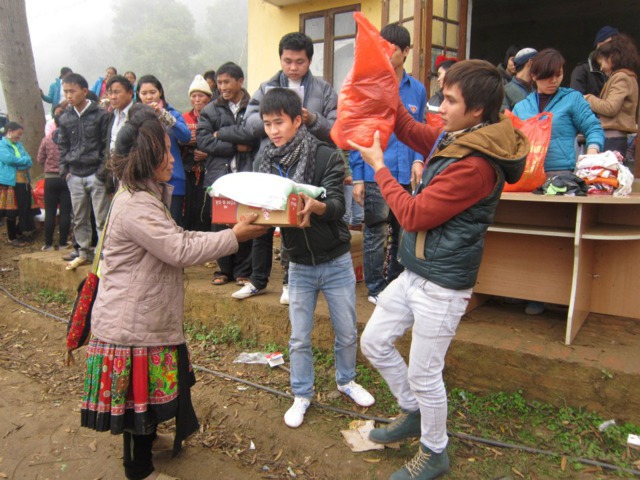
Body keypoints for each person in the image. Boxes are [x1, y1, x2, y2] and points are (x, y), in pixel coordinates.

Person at [349, 59, 528, 480]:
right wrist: (388, 93)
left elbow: (413, 215)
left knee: (425, 373)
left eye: (449, 100)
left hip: (442, 285)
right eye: (441, 96)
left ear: (477, 110)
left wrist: (379, 167)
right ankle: (413, 412)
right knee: (374, 341)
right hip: (416, 271)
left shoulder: (476, 164)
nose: (439, 107)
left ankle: (434, 452)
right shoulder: (460, 135)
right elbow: (413, 132)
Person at [80, 103, 266, 480]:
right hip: (132, 325)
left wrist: (231, 233)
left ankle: (147, 445)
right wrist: (234, 236)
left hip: (142, 318)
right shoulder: (136, 204)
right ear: (144, 159)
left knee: (143, 401)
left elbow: (177, 238)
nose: (172, 158)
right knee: (135, 406)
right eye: (164, 152)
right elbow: (179, 248)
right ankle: (139, 470)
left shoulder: (144, 195)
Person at [257, 88, 374, 428]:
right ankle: (302, 393)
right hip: (298, 263)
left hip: (335, 260)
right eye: (267, 124)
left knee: (346, 330)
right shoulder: (266, 161)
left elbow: (337, 206)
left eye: (279, 122)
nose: (273, 131)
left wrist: (318, 206)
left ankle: (346, 380)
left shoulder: (325, 155)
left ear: (298, 120)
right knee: (299, 337)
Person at [223, 32, 338, 303]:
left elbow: (335, 127)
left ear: (310, 61)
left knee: (295, 218)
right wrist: (274, 117)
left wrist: (312, 119)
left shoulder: (323, 89)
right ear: (281, 59)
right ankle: (258, 279)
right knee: (262, 218)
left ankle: (289, 281)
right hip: (269, 160)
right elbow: (250, 122)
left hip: (306, 160)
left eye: (300, 61)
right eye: (288, 61)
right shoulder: (266, 88)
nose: (293, 67)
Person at [513, 49, 604, 316]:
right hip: (527, 180)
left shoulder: (572, 99)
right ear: (534, 76)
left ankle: (557, 296)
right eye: (547, 76)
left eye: (558, 75)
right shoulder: (522, 107)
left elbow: (593, 127)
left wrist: (592, 152)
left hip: (560, 178)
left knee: (558, 241)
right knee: (529, 238)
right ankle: (527, 292)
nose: (553, 81)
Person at [350, 22, 426, 305]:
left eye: (392, 50)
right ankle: (375, 288)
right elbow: (358, 133)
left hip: (406, 174)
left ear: (406, 52)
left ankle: (396, 282)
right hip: (374, 173)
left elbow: (420, 129)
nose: (386, 55)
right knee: (376, 233)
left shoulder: (417, 90)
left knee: (404, 231)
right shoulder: (367, 87)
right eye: (381, 49)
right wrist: (358, 177)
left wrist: (418, 159)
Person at [197, 62, 257, 286]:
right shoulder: (210, 109)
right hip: (219, 175)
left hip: (246, 172)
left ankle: (243, 270)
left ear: (240, 81)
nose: (222, 87)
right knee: (221, 221)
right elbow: (203, 141)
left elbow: (254, 136)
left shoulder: (253, 107)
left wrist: (220, 134)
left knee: (245, 218)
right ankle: (223, 269)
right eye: (219, 83)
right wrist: (235, 146)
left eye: (227, 82)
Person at [58, 73, 111, 270]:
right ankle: (84, 252)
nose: (68, 96)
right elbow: (62, 145)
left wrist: (101, 172)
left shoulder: (101, 115)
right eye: (65, 92)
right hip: (74, 174)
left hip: (96, 172)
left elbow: (106, 146)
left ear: (84, 91)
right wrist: (65, 171)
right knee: (79, 218)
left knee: (101, 217)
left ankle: (103, 254)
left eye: (72, 91)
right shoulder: (65, 117)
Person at [137, 75, 191, 226]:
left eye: (152, 92)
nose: (149, 97)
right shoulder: (136, 116)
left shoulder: (171, 113)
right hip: (145, 180)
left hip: (173, 179)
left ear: (160, 92)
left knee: (172, 225)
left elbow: (185, 136)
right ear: (138, 95)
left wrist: (162, 115)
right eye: (144, 93)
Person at [585, 34, 640, 157]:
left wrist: (588, 98)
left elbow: (610, 108)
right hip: (614, 138)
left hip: (612, 139)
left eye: (601, 62)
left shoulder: (621, 77)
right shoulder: (625, 76)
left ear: (611, 58)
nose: (601, 68)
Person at [181, 74, 212, 232]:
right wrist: (184, 140)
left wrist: (207, 154)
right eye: (194, 96)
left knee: (204, 207)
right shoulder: (184, 118)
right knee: (188, 206)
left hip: (208, 170)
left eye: (201, 96)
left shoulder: (214, 117)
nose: (197, 99)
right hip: (188, 170)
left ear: (209, 98)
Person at [37, 114, 72, 251]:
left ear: (55, 123)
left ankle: (48, 244)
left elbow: (40, 158)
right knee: (65, 212)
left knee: (50, 212)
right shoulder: (71, 138)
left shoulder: (47, 139)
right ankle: (63, 243)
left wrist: (48, 167)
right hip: (66, 178)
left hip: (50, 179)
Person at [0, 122, 34, 247]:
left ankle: (19, 232)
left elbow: (29, 161)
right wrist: (22, 161)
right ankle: (11, 237)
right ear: (9, 131)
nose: (19, 137)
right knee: (11, 210)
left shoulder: (19, 145)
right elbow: (8, 159)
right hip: (9, 181)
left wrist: (19, 162)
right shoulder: (2, 145)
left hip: (22, 180)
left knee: (24, 207)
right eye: (18, 134)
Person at [570, 26, 618, 97]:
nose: (614, 48)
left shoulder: (623, 70)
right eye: (610, 44)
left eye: (617, 45)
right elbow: (575, 100)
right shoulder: (582, 70)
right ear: (599, 46)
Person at [502, 47, 537, 112]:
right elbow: (502, 116)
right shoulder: (505, 91)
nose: (540, 67)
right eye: (538, 63)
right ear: (530, 62)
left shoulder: (538, 90)